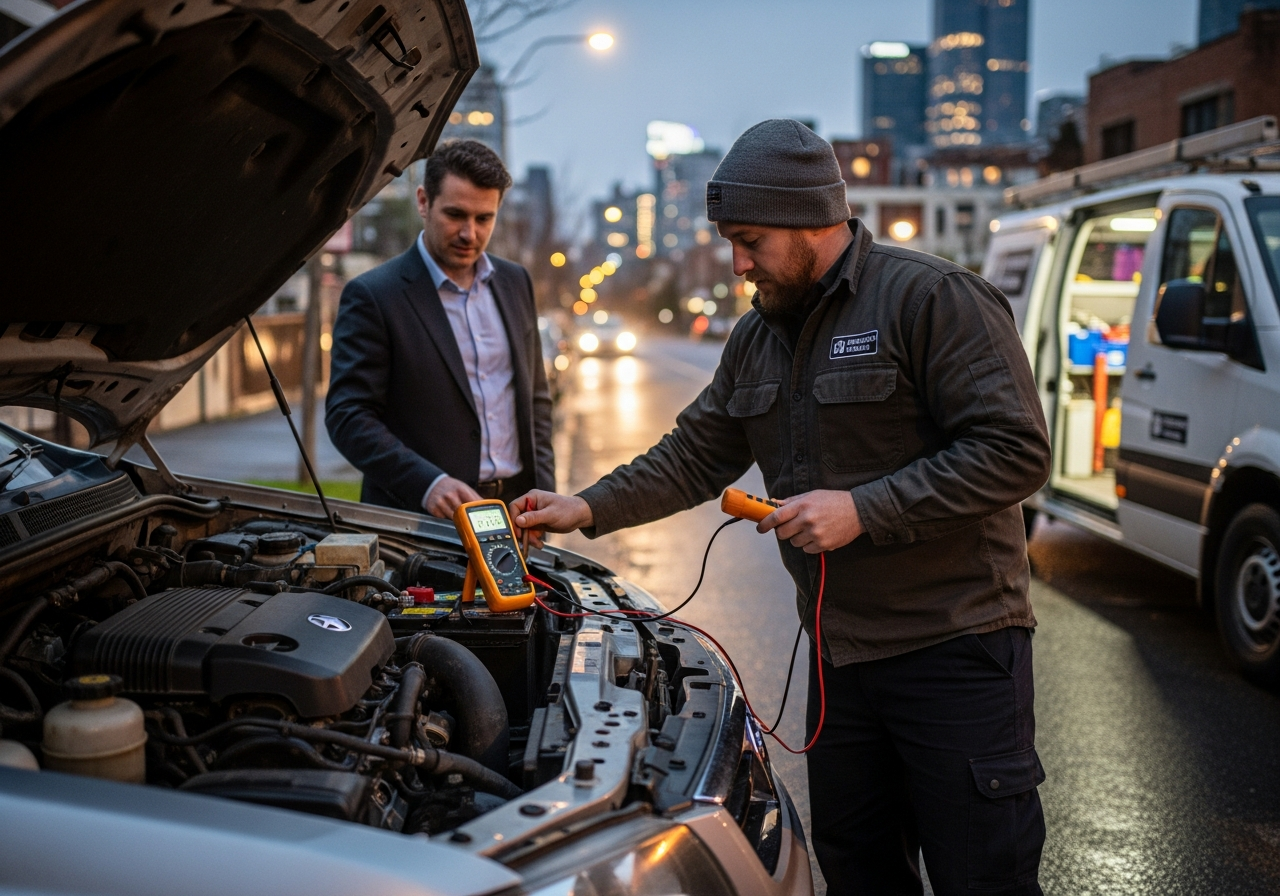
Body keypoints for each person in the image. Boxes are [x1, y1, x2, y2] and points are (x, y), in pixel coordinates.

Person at [512, 120, 1051, 896]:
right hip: (840, 665)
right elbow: (693, 454)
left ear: (809, 221)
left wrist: (863, 509)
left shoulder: (932, 298)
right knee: (858, 868)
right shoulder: (757, 336)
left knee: (982, 875)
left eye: (750, 239)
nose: (736, 264)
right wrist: (584, 506)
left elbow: (1016, 451)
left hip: (955, 652)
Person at [326, 139, 554, 515]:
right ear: (423, 202)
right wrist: (426, 483)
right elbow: (347, 416)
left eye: (484, 219)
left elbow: (536, 402)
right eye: (456, 215)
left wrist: (543, 496)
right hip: (418, 521)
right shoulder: (373, 295)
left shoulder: (517, 282)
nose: (470, 233)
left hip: (515, 513)